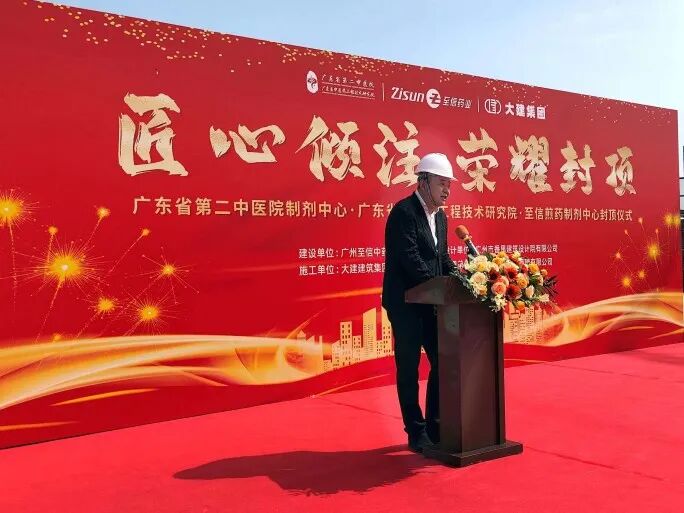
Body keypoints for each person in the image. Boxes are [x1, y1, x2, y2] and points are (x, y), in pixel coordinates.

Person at [381, 152, 457, 453]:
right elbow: (411, 260)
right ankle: (415, 430)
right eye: (441, 183)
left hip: (431, 302)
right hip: (406, 303)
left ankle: (436, 425)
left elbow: (443, 258)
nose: (446, 190)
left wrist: (462, 280)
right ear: (423, 182)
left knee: (443, 360)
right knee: (409, 367)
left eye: (449, 184)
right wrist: (441, 288)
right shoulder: (404, 213)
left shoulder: (441, 217)